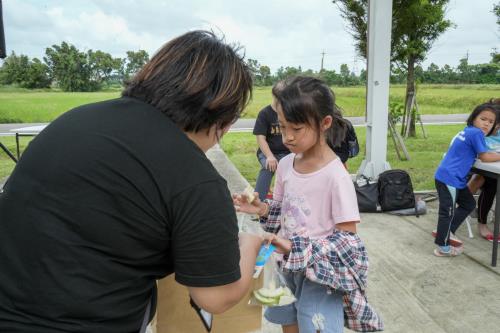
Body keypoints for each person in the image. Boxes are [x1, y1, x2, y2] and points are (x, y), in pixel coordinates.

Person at [0, 30, 264, 332]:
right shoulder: (193, 176)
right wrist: (251, 242)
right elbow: (216, 296)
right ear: (224, 120)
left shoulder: (73, 121)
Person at [234, 76, 383, 332]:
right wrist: (263, 209)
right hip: (281, 264)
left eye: (297, 128)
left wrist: (294, 246)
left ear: (324, 123)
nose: (287, 138)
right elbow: (283, 212)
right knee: (286, 320)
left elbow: (348, 241)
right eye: (282, 127)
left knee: (315, 324)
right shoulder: (284, 165)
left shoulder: (336, 176)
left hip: (319, 275)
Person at [433, 102, 500, 257]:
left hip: (453, 178)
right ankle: (442, 247)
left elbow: (477, 153)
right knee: (447, 212)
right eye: (483, 119)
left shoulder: (469, 131)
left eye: (491, 122)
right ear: (474, 118)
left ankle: (447, 232)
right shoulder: (476, 133)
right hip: (449, 179)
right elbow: (484, 157)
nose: (487, 124)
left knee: (468, 203)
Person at [468, 98, 500, 241]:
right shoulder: (479, 133)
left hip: (494, 166)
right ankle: (482, 222)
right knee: (490, 183)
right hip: (477, 168)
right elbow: (482, 157)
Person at [253, 81, 290, 201]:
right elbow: (260, 138)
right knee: (269, 167)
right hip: (267, 152)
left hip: (287, 152)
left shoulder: (289, 112)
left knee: (296, 169)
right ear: (274, 95)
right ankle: (258, 201)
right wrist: (269, 156)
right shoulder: (265, 114)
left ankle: (286, 200)